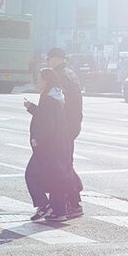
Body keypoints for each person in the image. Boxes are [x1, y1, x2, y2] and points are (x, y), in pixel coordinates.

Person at [24, 67, 72, 221]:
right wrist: (31, 107)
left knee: (31, 174)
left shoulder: (49, 98)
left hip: (48, 146)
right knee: (53, 177)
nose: (37, 81)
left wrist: (38, 140)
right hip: (57, 145)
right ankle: (56, 210)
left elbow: (47, 123)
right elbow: (46, 116)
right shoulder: (54, 96)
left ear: (46, 81)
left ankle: (44, 206)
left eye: (39, 78)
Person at [46, 47, 84, 217]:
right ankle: (72, 202)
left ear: (54, 59)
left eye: (48, 59)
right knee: (65, 164)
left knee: (61, 167)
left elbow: (58, 105)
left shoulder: (58, 76)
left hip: (63, 126)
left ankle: (71, 203)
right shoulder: (71, 73)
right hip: (73, 124)